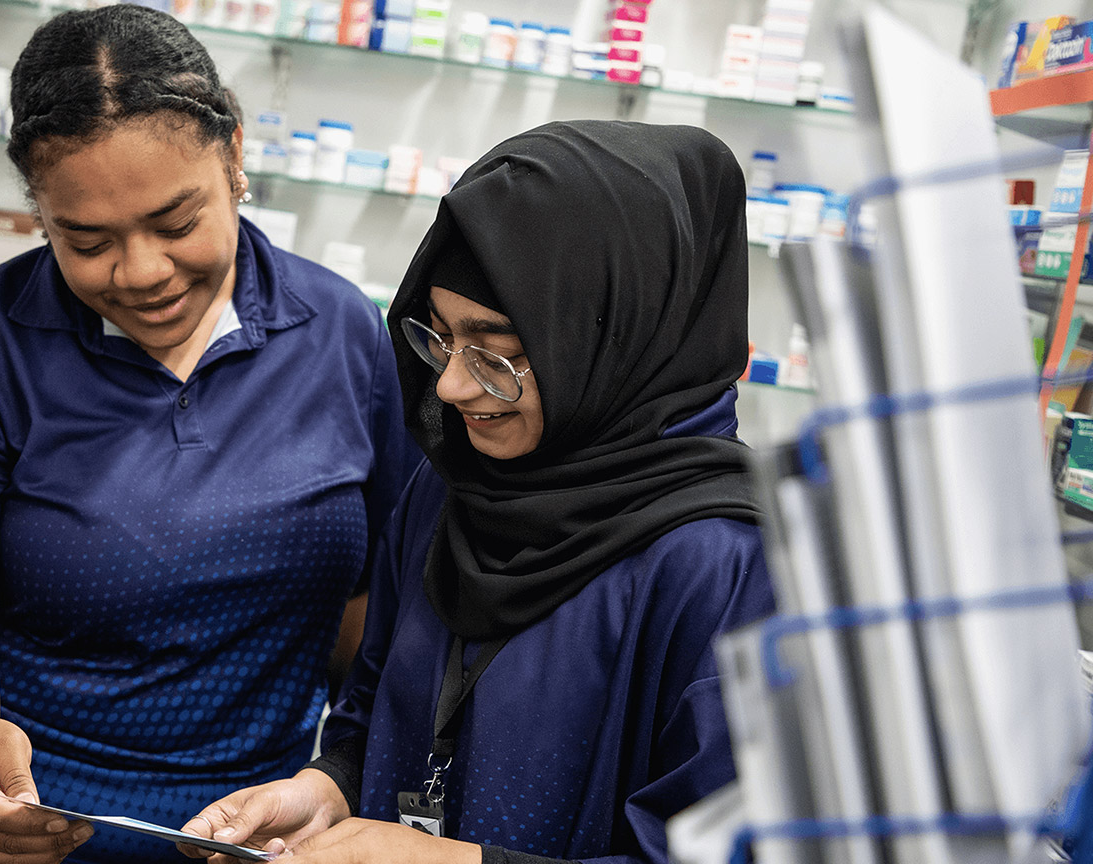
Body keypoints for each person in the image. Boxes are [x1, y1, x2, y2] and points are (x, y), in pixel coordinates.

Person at [0, 6, 417, 863]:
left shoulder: (344, 338)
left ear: (236, 155)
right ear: (38, 213)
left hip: (242, 833)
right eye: (86, 241)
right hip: (9, 829)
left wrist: (349, 775)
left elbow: (370, 606)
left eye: (177, 224)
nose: (141, 273)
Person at [180, 120, 777, 864]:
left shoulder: (732, 564)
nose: (456, 386)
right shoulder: (450, 489)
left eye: (498, 356)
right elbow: (371, 716)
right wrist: (327, 792)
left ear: (618, 341)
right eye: (438, 338)